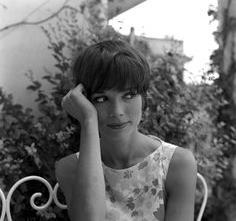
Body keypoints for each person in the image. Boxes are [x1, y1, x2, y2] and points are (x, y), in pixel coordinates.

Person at [56, 40, 197, 221]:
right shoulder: (70, 168)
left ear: (143, 99)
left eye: (128, 95)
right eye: (101, 99)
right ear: (85, 102)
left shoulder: (176, 164)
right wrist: (89, 121)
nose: (117, 111)